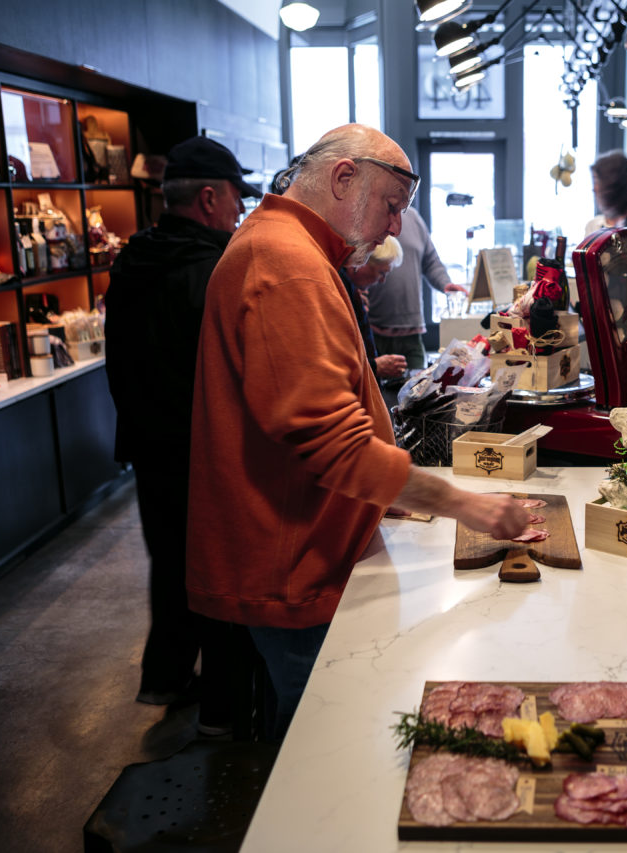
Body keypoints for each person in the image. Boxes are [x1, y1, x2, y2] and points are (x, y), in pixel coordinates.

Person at [186, 124, 529, 738]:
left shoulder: (288, 246)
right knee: (326, 748)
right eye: (391, 206)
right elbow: (334, 445)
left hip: (306, 545)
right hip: (295, 561)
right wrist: (469, 508)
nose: (397, 226)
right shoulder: (287, 263)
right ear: (344, 178)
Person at [105, 135, 262, 733]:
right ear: (205, 197)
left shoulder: (134, 257)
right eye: (233, 201)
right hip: (205, 452)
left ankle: (165, 676)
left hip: (147, 446)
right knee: (221, 575)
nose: (239, 213)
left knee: (169, 562)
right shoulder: (214, 268)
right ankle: (225, 713)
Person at [364, 205, 466, 373]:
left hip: (412, 332)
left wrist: (445, 284)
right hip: (374, 329)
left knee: (417, 391)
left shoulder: (414, 218)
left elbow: (431, 261)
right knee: (377, 393)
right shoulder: (368, 215)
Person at [345, 236, 407, 380]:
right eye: (381, 272)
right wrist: (374, 366)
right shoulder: (340, 288)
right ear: (362, 262)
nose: (382, 281)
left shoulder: (353, 292)